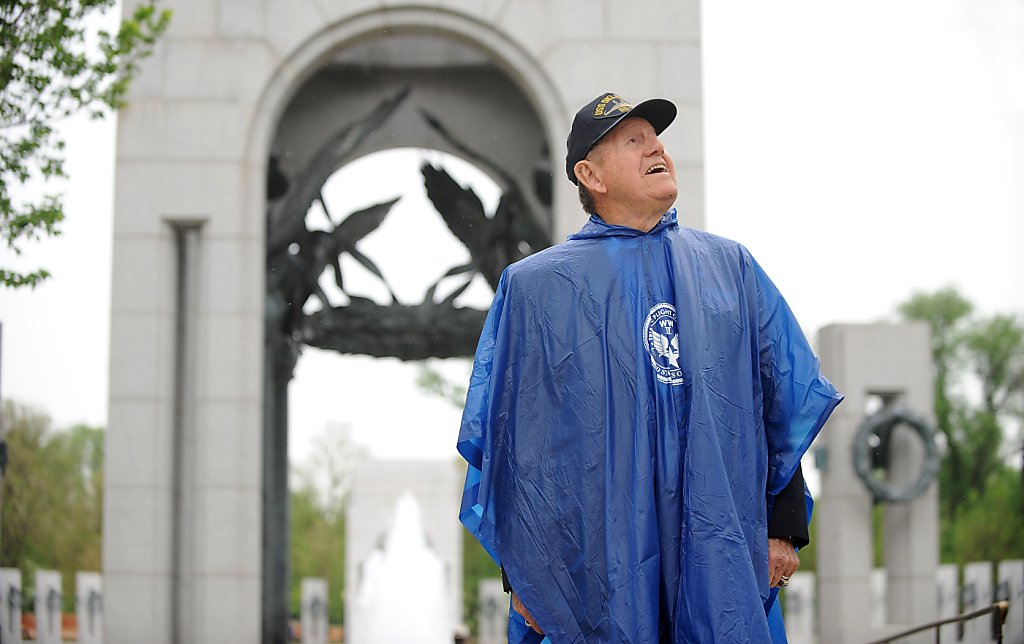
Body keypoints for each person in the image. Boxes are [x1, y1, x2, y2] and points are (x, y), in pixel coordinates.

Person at [456, 92, 843, 643]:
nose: (656, 147)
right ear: (590, 174)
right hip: (597, 557)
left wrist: (783, 528)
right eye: (633, 140)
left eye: (656, 138)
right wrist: (524, 573)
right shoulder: (536, 288)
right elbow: (518, 442)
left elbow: (774, 396)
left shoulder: (728, 268)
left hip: (715, 543)